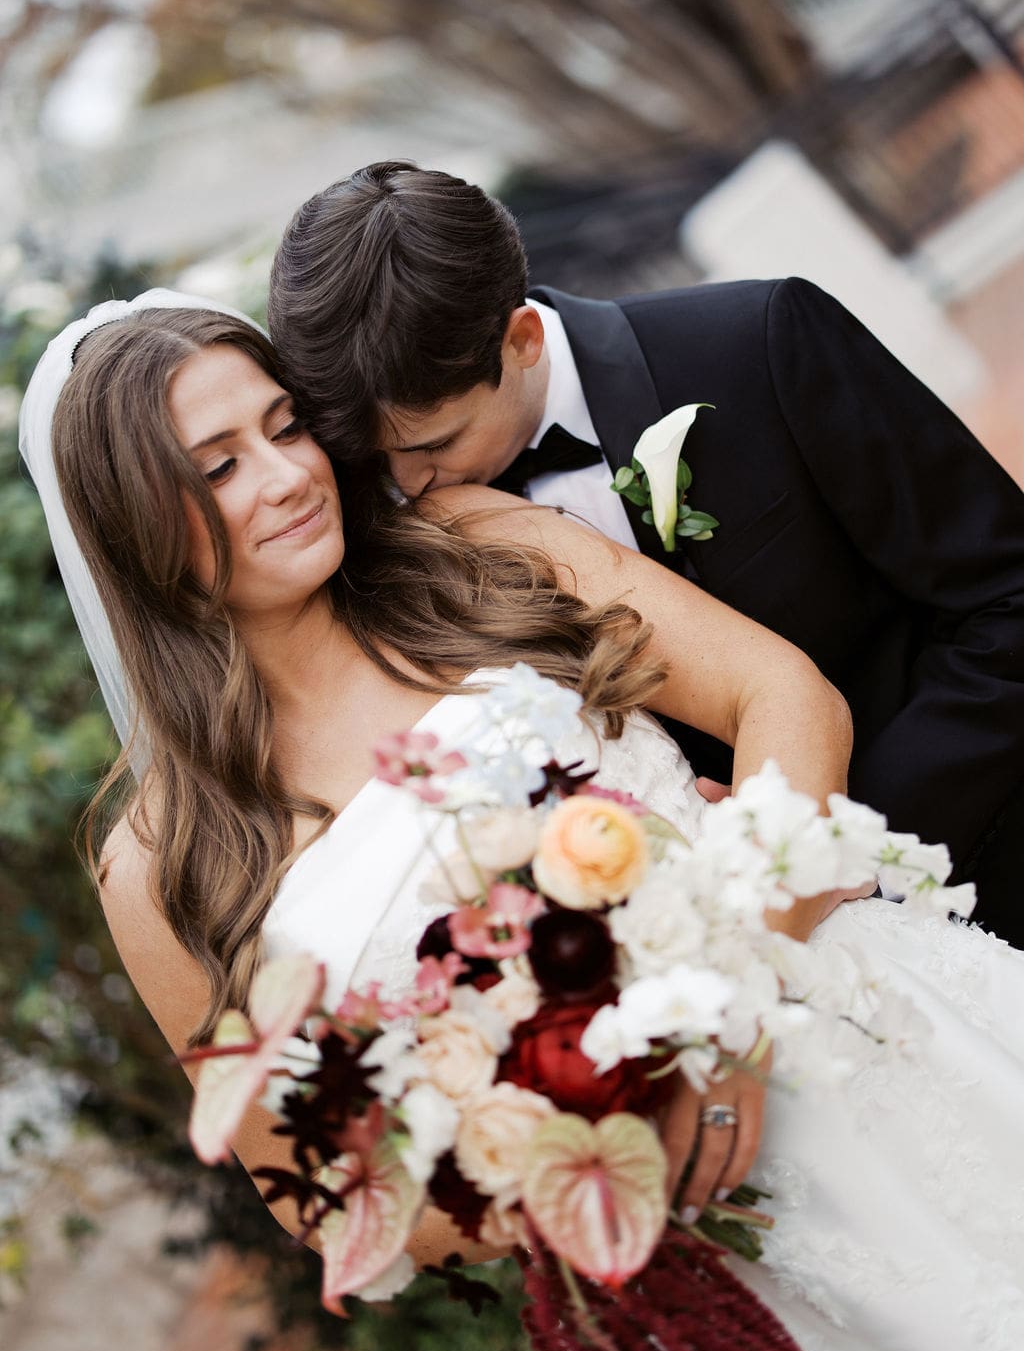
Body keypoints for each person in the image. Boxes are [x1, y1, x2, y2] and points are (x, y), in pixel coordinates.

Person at [20, 294, 1024, 1351]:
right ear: (130, 525)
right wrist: (548, 1163)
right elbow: (316, 1198)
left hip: (871, 1046)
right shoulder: (160, 865)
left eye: (285, 427)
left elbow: (780, 697)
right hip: (699, 1255)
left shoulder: (468, 544)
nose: (285, 478)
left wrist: (734, 1009)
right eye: (215, 468)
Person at [267, 160, 1024, 949]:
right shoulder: (368, 530)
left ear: (520, 338)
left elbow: (1006, 595)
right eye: (372, 459)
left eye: (435, 444)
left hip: (973, 885)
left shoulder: (756, 344)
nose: (406, 485)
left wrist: (853, 843)